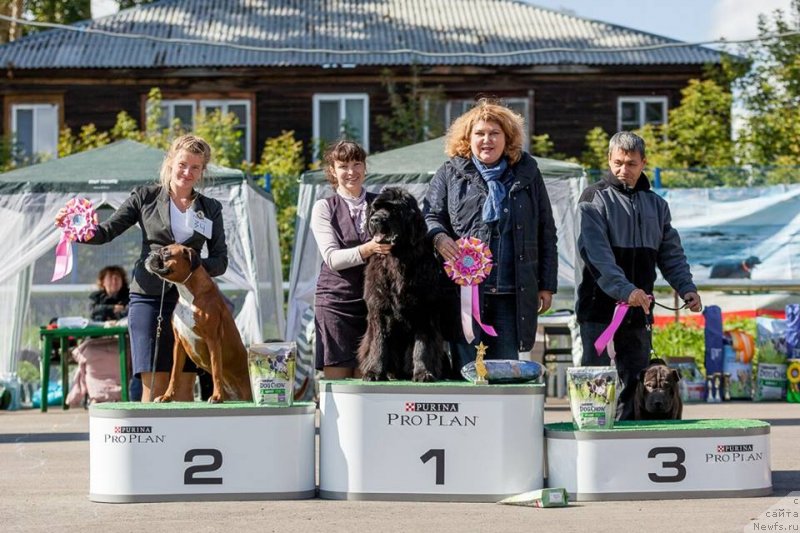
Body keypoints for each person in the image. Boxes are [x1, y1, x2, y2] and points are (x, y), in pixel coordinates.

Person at [55, 134, 228, 402]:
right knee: (156, 386)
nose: (187, 172)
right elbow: (107, 231)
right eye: (182, 164)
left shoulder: (211, 208)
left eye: (195, 167)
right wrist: (76, 230)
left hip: (191, 304)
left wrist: (186, 264)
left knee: (182, 388)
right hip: (148, 297)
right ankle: (154, 443)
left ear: (202, 170)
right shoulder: (144, 197)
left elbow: (220, 261)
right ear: (171, 162)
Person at [423, 98, 558, 371]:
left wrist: (546, 284)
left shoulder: (529, 173)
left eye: (495, 133)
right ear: (467, 138)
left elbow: (546, 230)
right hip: (463, 294)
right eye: (480, 133)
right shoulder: (449, 173)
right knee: (467, 371)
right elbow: (428, 216)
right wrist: (438, 236)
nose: (487, 140)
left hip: (512, 293)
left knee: (505, 370)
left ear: (507, 138)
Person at [577, 131, 702, 420]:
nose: (623, 170)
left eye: (631, 163)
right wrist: (625, 291)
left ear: (643, 162)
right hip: (598, 309)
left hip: (639, 311)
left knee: (635, 384)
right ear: (608, 160)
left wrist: (687, 288)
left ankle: (629, 443)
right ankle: (593, 445)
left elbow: (671, 254)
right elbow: (597, 255)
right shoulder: (592, 198)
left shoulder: (657, 205)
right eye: (618, 162)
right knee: (594, 384)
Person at [311, 140, 392, 380]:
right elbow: (333, 258)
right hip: (335, 302)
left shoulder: (382, 204)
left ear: (365, 168)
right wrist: (370, 248)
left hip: (375, 303)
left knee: (368, 376)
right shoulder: (323, 208)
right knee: (337, 377)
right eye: (343, 165)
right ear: (333, 171)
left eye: (357, 164)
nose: (351, 172)